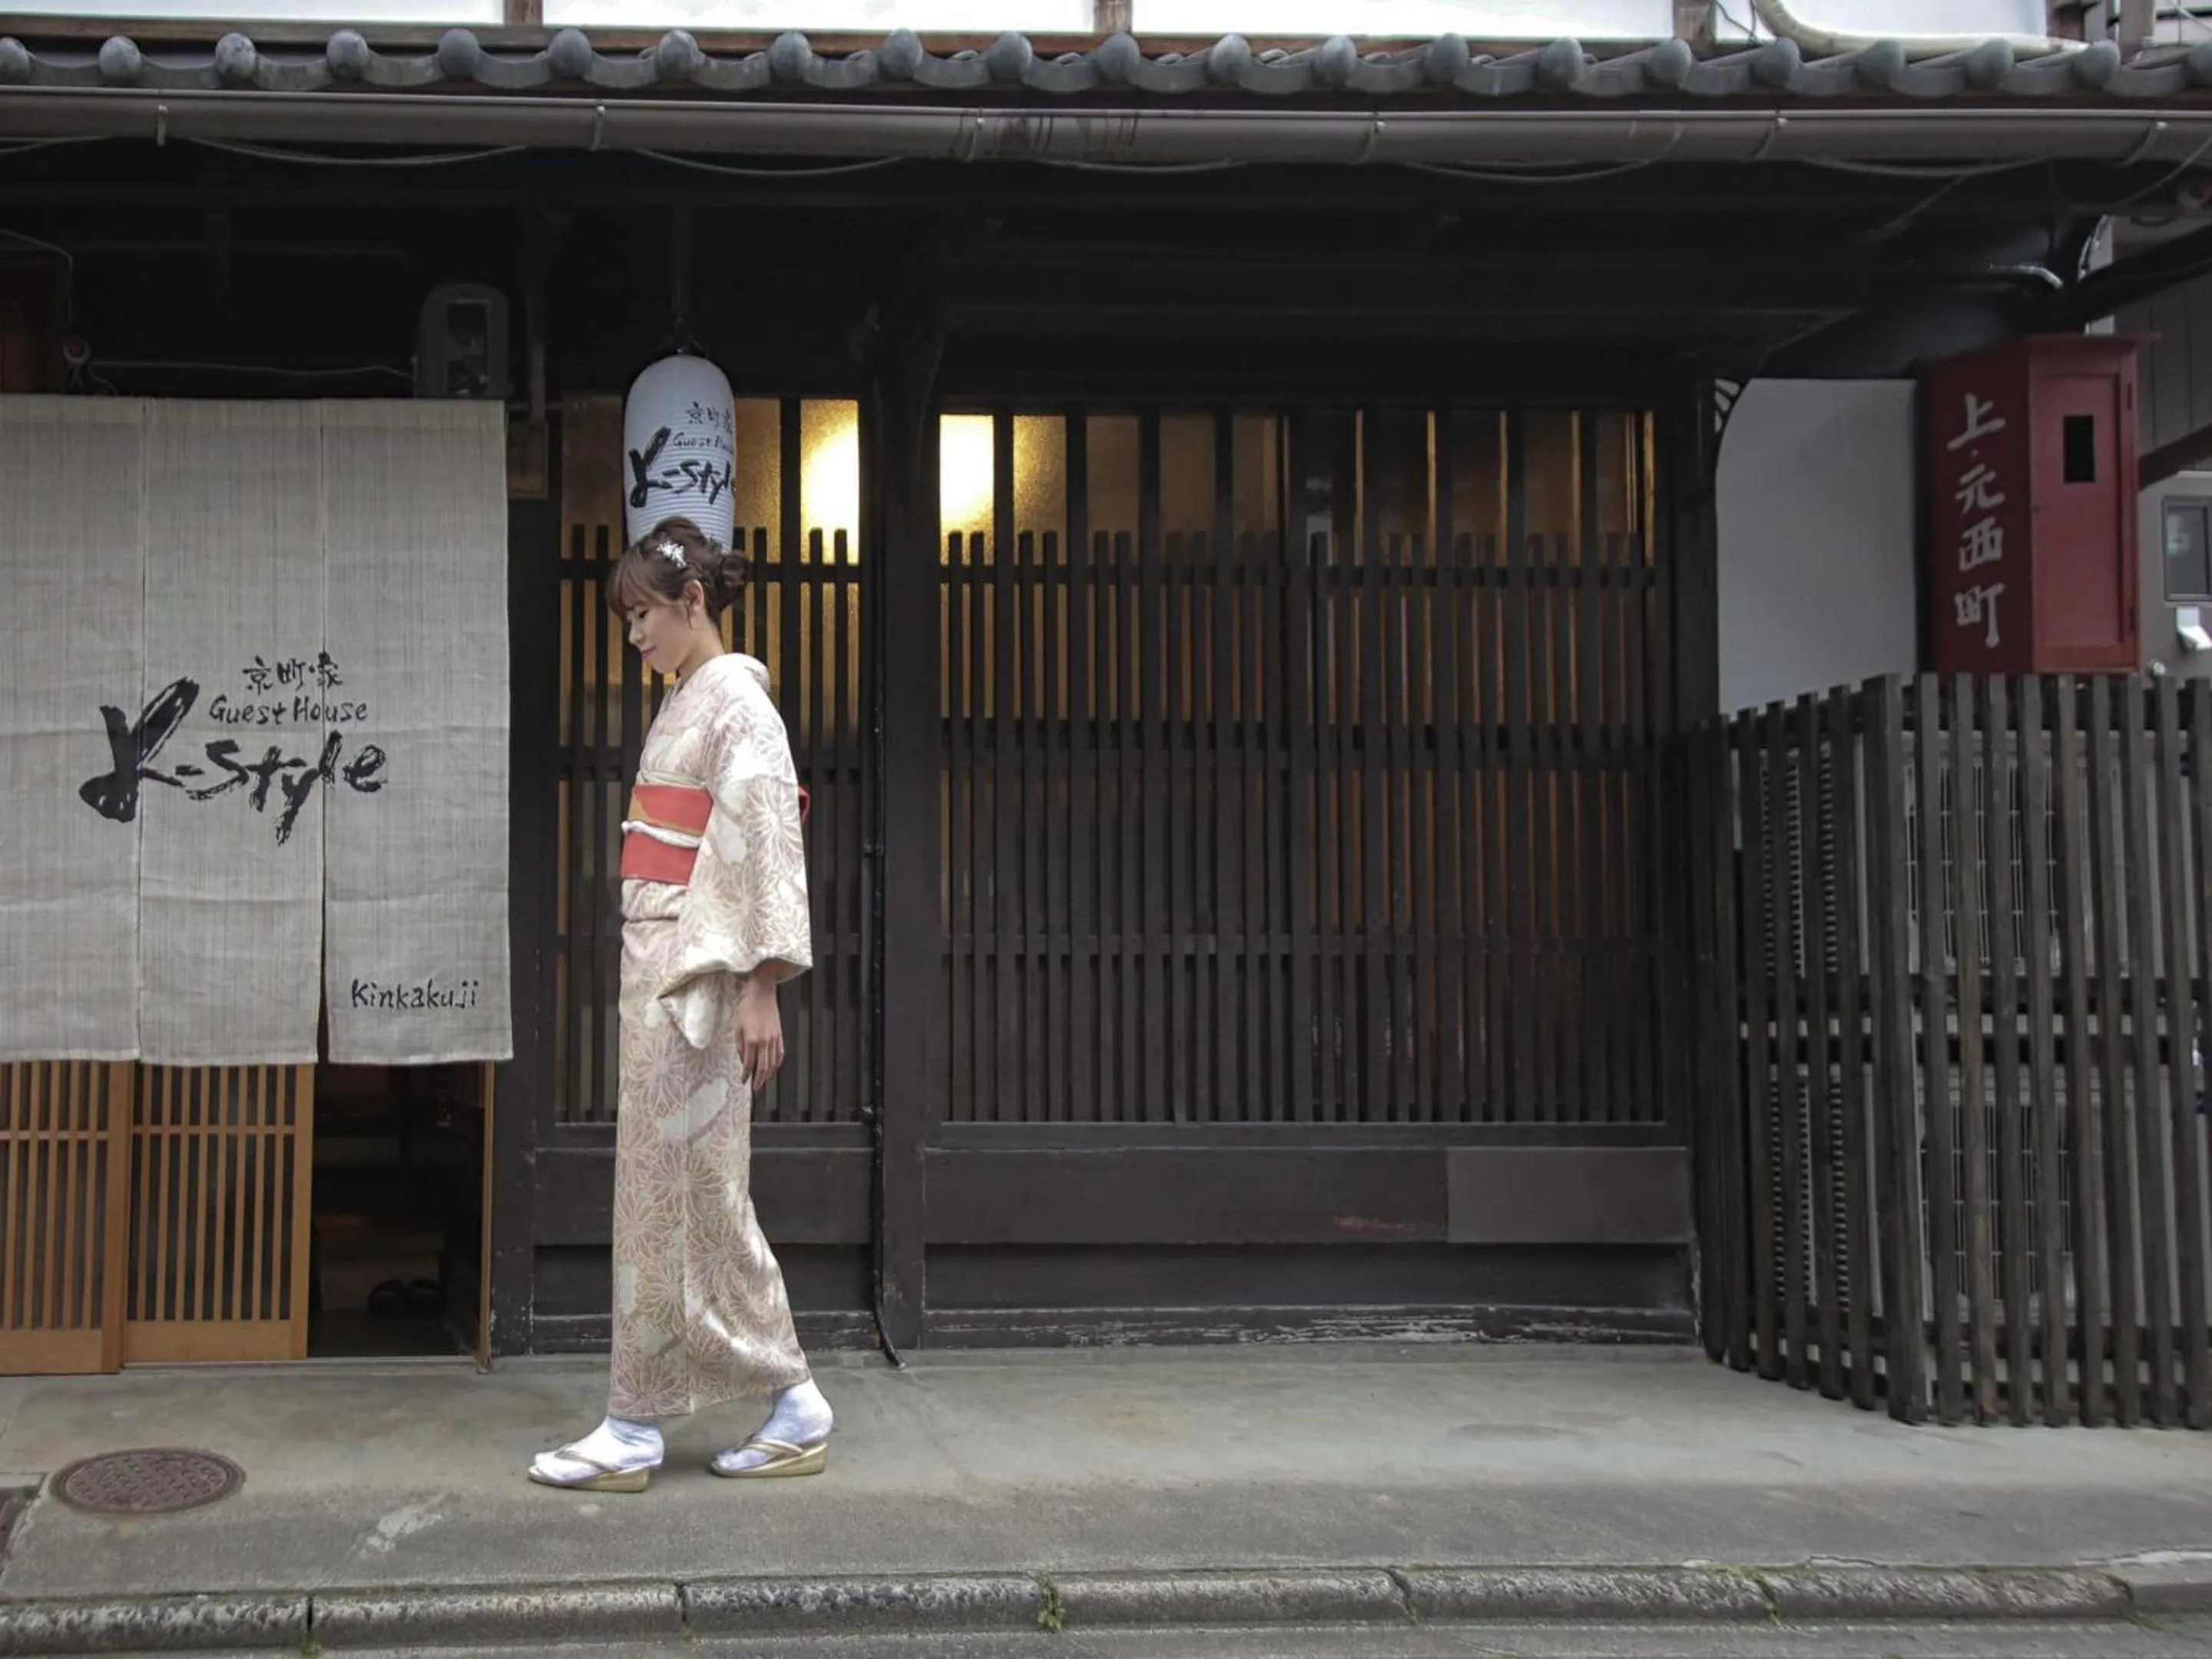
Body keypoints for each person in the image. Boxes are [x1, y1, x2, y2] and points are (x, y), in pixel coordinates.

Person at [528, 515, 833, 1493]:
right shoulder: (689, 701)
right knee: (668, 1200)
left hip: (698, 984)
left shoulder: (737, 701)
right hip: (659, 973)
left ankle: (729, 1407)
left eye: (644, 616)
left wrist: (760, 991)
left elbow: (765, 847)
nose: (634, 637)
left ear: (691, 602)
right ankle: (649, 1416)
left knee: (699, 1194)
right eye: (629, 620)